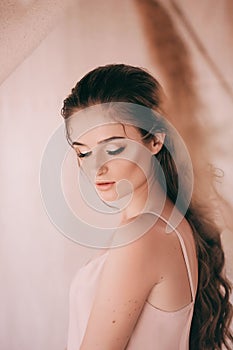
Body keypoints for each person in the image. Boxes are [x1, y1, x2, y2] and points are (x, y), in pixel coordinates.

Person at [61, 64, 233, 350]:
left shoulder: (141, 237)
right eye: (83, 152)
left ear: (155, 139)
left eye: (113, 149)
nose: (95, 168)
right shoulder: (169, 221)